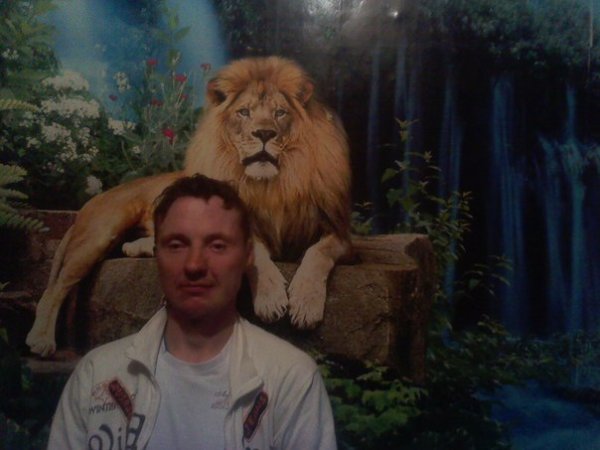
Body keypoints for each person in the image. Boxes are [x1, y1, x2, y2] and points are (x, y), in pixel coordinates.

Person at [47, 174, 338, 450]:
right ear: (155, 252)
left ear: (249, 255)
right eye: (177, 245)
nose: (195, 264)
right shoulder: (96, 375)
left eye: (217, 245)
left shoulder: (291, 378)